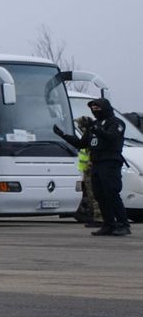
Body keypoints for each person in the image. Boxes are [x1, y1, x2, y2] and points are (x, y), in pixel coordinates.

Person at [65, 98, 132, 238]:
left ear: (105, 108)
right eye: (93, 109)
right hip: (96, 163)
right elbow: (82, 143)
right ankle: (108, 224)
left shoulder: (116, 123)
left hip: (110, 162)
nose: (95, 111)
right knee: (100, 195)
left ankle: (123, 224)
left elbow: (112, 137)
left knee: (112, 193)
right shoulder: (94, 124)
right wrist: (63, 135)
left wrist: (95, 128)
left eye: (98, 108)